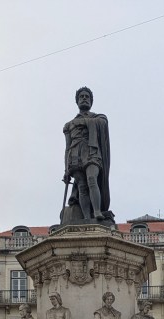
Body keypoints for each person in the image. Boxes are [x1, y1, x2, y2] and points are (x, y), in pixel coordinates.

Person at [63, 86, 113, 225]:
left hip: (92, 151)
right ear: (77, 101)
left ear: (91, 101)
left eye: (87, 97)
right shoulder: (68, 125)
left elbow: (103, 123)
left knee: (92, 178)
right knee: (82, 187)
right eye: (81, 96)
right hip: (74, 154)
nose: (84, 98)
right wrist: (66, 170)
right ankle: (86, 217)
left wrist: (85, 121)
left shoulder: (98, 117)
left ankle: (97, 211)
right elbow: (67, 147)